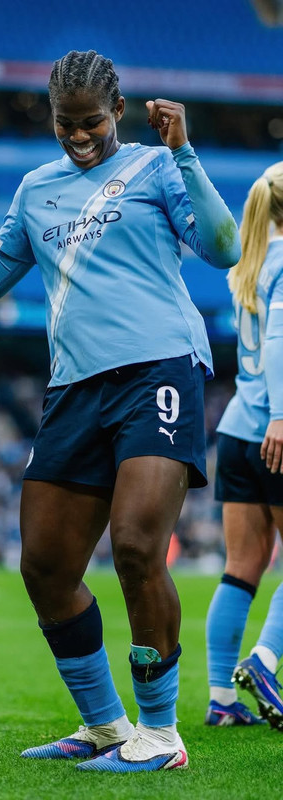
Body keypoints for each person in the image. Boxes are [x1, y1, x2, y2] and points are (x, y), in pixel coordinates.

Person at [0, 49, 240, 773]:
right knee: (44, 566)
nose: (79, 137)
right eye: (65, 125)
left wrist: (188, 152)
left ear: (118, 112)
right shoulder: (35, 188)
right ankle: (104, 725)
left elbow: (223, 245)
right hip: (75, 389)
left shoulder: (155, 166)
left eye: (93, 124)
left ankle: (160, 733)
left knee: (137, 546)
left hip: (157, 370)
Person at [205, 161, 283, 730]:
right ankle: (265, 661)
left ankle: (222, 700)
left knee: (242, 568)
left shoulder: (252, 263)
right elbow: (280, 345)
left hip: (235, 430)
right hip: (274, 430)